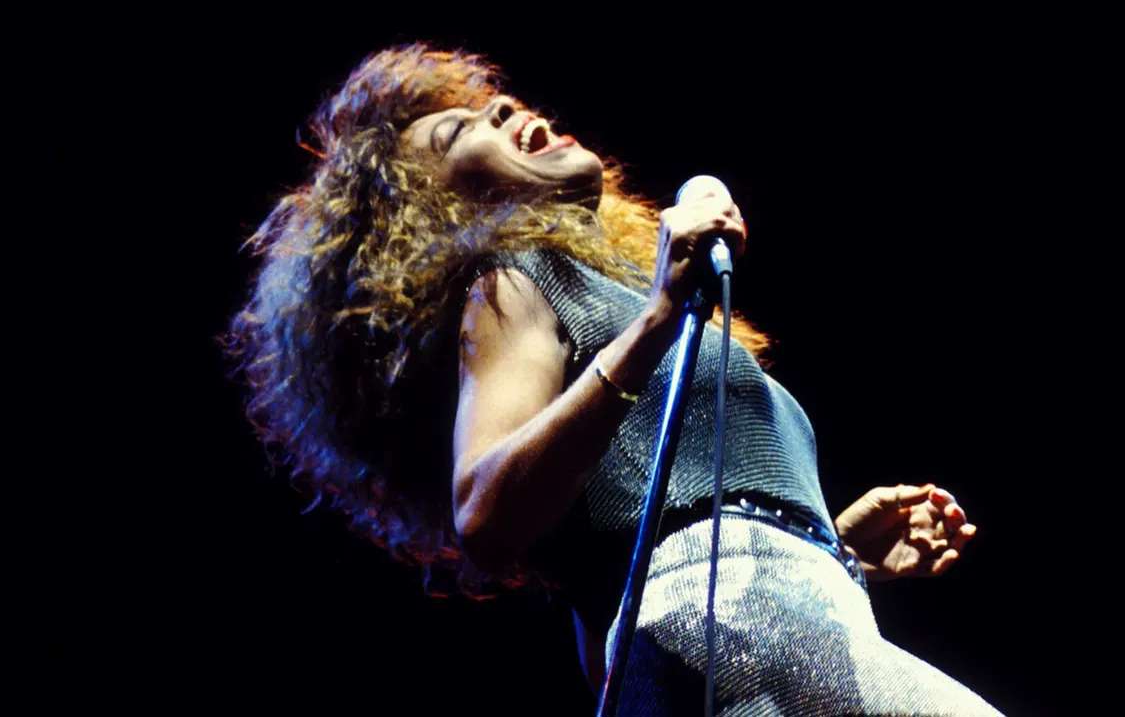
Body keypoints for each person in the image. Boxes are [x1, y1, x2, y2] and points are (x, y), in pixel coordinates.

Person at [220, 42, 1003, 715]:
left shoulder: (615, 300)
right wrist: (659, 317)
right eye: (463, 130)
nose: (504, 110)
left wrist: (837, 552)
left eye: (495, 104)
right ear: (437, 213)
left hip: (766, 630)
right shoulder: (511, 285)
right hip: (737, 633)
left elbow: (627, 604)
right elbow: (484, 511)